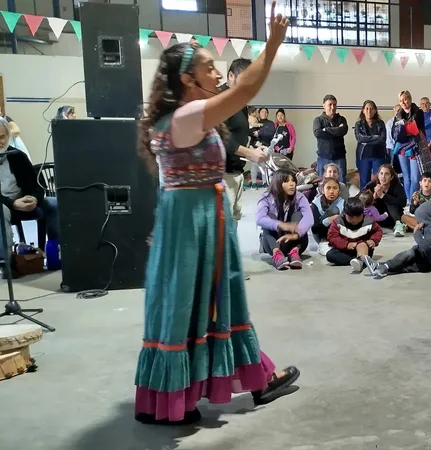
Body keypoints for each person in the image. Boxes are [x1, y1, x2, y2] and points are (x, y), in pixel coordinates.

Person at [133, 9, 298, 426]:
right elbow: (243, 93)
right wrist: (273, 45)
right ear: (188, 80)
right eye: (208, 66)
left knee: (191, 305)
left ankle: (180, 397)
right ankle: (240, 382)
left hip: (193, 220)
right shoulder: (188, 116)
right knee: (200, 303)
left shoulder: (184, 116)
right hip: (194, 225)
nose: (216, 69)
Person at [0, 117, 61, 278]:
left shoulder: (17, 155)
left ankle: (54, 252)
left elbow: (37, 184)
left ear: (8, 137)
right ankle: (4, 262)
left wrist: (34, 198)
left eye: (1, 137)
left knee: (55, 203)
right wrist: (12, 203)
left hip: (20, 200)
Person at [221, 58, 269, 221]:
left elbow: (241, 132)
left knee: (234, 220)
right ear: (230, 76)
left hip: (237, 171)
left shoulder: (240, 102)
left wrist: (256, 146)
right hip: (222, 174)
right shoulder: (220, 99)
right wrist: (249, 153)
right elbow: (221, 138)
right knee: (224, 226)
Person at [256, 168, 312, 270]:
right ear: (278, 183)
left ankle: (294, 253)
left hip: (296, 241)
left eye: (293, 181)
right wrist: (280, 225)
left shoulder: (300, 197)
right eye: (287, 181)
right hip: (274, 242)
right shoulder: (266, 197)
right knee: (269, 218)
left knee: (298, 215)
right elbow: (260, 219)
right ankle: (277, 255)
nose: (292, 184)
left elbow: (309, 218)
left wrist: (296, 235)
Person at [373, 202, 431, 278]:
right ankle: (383, 265)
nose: (418, 221)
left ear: (425, 217)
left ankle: (386, 267)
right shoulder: (428, 227)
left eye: (420, 218)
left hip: (428, 262)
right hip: (425, 257)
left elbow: (426, 247)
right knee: (405, 257)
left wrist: (416, 233)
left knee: (406, 261)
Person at [326, 196, 382, 274]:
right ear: (345, 213)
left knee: (362, 245)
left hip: (363, 247)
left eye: (358, 216)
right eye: (351, 216)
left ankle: (361, 259)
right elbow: (332, 237)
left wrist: (373, 240)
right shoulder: (338, 222)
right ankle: (359, 260)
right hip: (345, 250)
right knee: (330, 255)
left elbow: (378, 231)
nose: (355, 220)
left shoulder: (368, 221)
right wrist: (346, 245)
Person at [392, 90, 430, 196]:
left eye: (405, 99)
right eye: (400, 101)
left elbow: (414, 129)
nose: (403, 102)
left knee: (415, 177)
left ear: (410, 99)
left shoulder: (418, 112)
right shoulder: (398, 114)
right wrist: (404, 128)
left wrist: (402, 128)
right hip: (402, 148)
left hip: (415, 147)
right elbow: (394, 133)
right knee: (406, 176)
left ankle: (413, 200)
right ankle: (407, 201)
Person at [363, 164, 408, 235]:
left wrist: (383, 196)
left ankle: (398, 225)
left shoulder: (396, 186)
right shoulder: (371, 185)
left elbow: (403, 202)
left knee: (391, 203)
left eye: (386, 174)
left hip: (392, 218)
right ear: (378, 175)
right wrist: (373, 198)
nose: (383, 177)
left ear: (391, 177)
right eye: (381, 173)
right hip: (376, 218)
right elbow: (359, 200)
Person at [313, 94, 349, 182]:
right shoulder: (318, 120)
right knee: (322, 184)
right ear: (324, 106)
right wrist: (336, 131)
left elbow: (343, 131)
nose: (332, 107)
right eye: (330, 104)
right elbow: (318, 133)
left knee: (341, 183)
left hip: (339, 157)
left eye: (334, 104)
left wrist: (326, 130)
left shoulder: (341, 119)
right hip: (323, 157)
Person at [354, 100, 387, 189]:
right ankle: (364, 202)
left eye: (371, 109)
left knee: (379, 181)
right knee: (364, 182)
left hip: (378, 156)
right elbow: (360, 139)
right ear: (363, 110)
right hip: (363, 157)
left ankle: (378, 201)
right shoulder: (358, 124)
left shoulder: (380, 123)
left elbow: (382, 139)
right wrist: (375, 137)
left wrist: (367, 140)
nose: (369, 111)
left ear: (375, 110)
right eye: (367, 109)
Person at [310, 177, 346, 254]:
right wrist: (329, 220)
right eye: (328, 188)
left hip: (338, 234)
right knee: (334, 210)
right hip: (322, 236)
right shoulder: (315, 204)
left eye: (335, 188)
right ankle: (324, 245)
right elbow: (314, 228)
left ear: (339, 190)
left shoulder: (343, 203)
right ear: (323, 190)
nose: (331, 191)